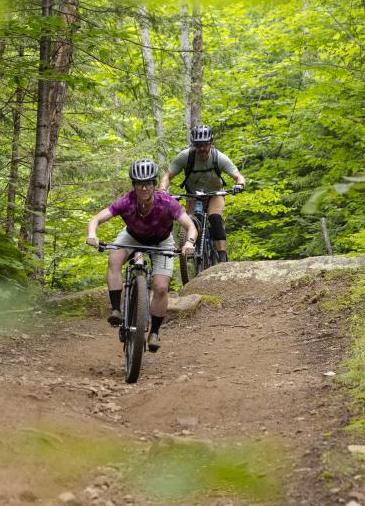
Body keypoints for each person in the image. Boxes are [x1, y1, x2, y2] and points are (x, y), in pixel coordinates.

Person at [86, 158, 197, 352]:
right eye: (139, 184)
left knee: (161, 287)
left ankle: (154, 332)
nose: (144, 188)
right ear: (134, 185)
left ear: (154, 184)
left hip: (161, 241)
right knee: (114, 259)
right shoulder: (126, 202)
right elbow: (96, 219)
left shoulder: (167, 203)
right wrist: (92, 234)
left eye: (148, 183)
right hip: (132, 236)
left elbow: (190, 226)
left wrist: (189, 242)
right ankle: (116, 310)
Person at [160, 125, 246, 264]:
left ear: (211, 143)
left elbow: (238, 176)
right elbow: (168, 176)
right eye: (198, 145)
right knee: (189, 221)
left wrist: (240, 185)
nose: (201, 149)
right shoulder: (185, 157)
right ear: (193, 145)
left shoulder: (218, 157)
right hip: (193, 195)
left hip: (214, 193)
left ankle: (223, 259)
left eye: (205, 145)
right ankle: (192, 253)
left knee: (215, 217)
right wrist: (163, 190)